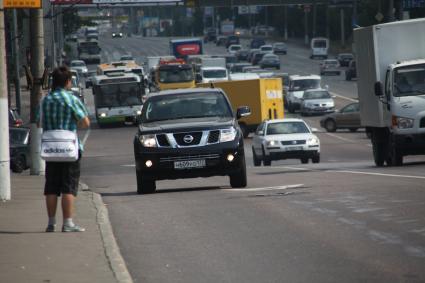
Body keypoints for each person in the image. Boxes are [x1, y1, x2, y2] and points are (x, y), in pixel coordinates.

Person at [39, 66, 90, 232]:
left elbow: (39, 122)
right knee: (68, 186)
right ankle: (68, 223)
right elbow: (85, 122)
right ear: (68, 81)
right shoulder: (71, 99)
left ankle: (50, 223)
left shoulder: (45, 100)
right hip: (69, 149)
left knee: (51, 187)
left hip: (51, 148)